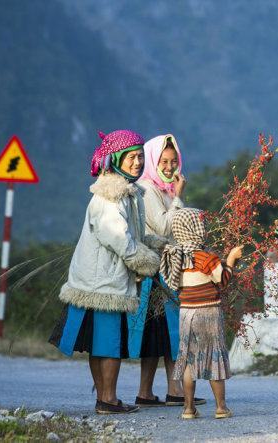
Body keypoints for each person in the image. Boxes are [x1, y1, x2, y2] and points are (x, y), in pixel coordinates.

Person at [49, 129, 161, 414]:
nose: (137, 162)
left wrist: (158, 245)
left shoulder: (125, 193)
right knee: (109, 344)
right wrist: (149, 263)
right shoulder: (111, 196)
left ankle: (104, 398)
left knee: (100, 344)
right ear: (117, 159)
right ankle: (108, 399)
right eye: (131, 157)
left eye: (140, 157)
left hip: (98, 279)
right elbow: (121, 240)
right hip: (105, 283)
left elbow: (133, 235)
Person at [128, 134, 205, 408]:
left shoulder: (165, 188)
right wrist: (179, 198)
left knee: (166, 330)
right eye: (165, 161)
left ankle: (160, 391)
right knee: (163, 330)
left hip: (169, 267)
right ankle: (161, 391)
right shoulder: (148, 189)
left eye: (174, 161)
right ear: (153, 160)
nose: (170, 166)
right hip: (156, 269)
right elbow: (163, 227)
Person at [160, 208, 243, 419]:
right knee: (214, 357)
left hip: (187, 313)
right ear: (196, 228)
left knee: (189, 359)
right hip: (209, 313)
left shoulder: (175, 257)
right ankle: (221, 408)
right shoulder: (206, 257)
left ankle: (188, 408)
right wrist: (231, 259)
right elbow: (222, 281)